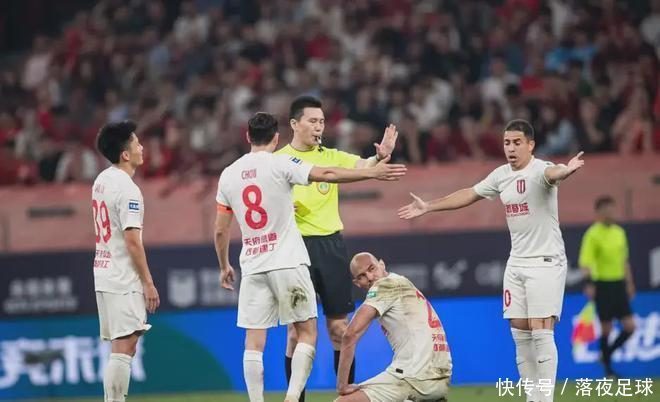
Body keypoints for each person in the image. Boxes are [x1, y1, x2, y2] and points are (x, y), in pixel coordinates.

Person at [214, 112, 406, 402]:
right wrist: (372, 172)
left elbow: (220, 230)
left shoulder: (228, 174)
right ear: (276, 137)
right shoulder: (281, 163)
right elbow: (327, 174)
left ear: (247, 136)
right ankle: (293, 398)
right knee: (306, 332)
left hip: (252, 265)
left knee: (253, 342)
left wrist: (224, 265)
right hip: (288, 261)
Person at [398, 119, 585, 402]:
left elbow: (553, 173)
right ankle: (533, 397)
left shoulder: (539, 170)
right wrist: (429, 206)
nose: (511, 148)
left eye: (517, 142)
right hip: (516, 263)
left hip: (545, 261)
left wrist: (566, 170)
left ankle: (545, 399)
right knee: (520, 333)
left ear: (531, 145)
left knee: (540, 330)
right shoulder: (501, 175)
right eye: (507, 142)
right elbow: (469, 193)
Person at [276, 96, 399, 401]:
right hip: (294, 249)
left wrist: (379, 156)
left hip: (330, 247)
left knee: (339, 330)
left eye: (321, 121)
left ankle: (345, 397)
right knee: (295, 333)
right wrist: (279, 207)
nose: (319, 127)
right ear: (294, 124)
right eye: (312, 121)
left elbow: (363, 165)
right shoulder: (277, 160)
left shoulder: (331, 156)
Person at [92, 120, 160, 402]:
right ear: (125, 154)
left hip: (104, 271)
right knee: (125, 345)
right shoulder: (128, 189)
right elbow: (132, 241)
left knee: (124, 346)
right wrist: (148, 282)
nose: (141, 147)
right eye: (136, 143)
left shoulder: (102, 180)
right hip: (122, 276)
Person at [335, 252, 452, 402]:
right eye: (362, 276)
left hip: (414, 377)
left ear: (382, 265)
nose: (369, 277)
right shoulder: (401, 282)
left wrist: (342, 385)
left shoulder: (385, 285)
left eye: (372, 268)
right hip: (441, 378)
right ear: (357, 283)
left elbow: (350, 335)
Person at [579, 195, 636, 377]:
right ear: (599, 212)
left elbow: (624, 260)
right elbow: (586, 262)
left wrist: (629, 283)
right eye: (606, 210)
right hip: (602, 285)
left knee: (630, 326)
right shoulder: (592, 234)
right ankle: (608, 370)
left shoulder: (619, 232)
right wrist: (589, 284)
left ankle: (606, 355)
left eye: (612, 209)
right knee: (606, 328)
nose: (610, 213)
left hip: (618, 284)